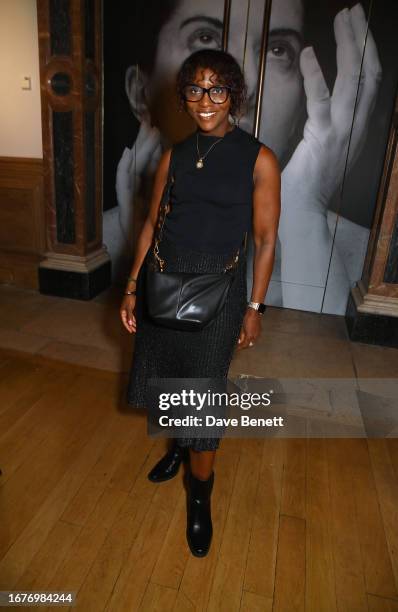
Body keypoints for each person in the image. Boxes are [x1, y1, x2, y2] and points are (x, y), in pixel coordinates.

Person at [105, 0, 381, 315]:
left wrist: (304, 210)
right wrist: (131, 278)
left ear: (298, 109)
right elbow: (154, 227)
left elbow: (324, 356)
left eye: (278, 50)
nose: (244, 86)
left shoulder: (359, 253)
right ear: (141, 91)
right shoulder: (115, 229)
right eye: (205, 37)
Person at [119, 49, 281, 557]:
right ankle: (177, 448)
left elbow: (265, 238)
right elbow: (150, 225)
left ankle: (199, 499)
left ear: (233, 94)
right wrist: (130, 287)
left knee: (203, 396)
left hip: (221, 286)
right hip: (165, 279)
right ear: (183, 96)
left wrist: (255, 307)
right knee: (170, 379)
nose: (205, 100)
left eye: (217, 89)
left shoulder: (259, 158)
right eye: (194, 89)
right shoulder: (173, 156)